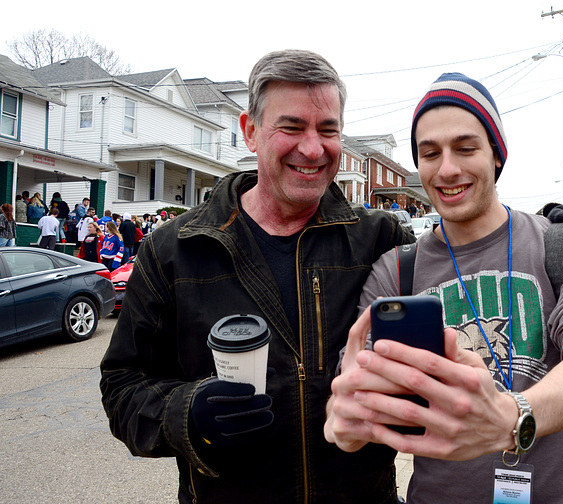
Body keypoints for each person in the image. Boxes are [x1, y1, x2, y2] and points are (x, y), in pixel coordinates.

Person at [100, 49, 414, 504]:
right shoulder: (174, 249)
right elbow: (122, 384)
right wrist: (185, 414)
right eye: (291, 127)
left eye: (328, 130)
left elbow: (468, 277)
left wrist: (545, 237)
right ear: (250, 131)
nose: (313, 148)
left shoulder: (379, 240)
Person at [324, 73, 563, 503]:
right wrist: (346, 418)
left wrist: (510, 417)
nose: (447, 169)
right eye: (430, 153)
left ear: (496, 156)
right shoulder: (395, 273)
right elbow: (352, 402)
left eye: (465, 148)